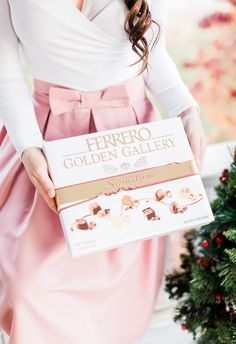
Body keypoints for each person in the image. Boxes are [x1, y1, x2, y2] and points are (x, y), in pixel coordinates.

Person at [0, 0, 206, 343]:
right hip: (46, 146)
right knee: (27, 291)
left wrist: (186, 110)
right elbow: (4, 70)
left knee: (116, 309)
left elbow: (152, 55)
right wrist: (29, 147)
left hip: (129, 151)